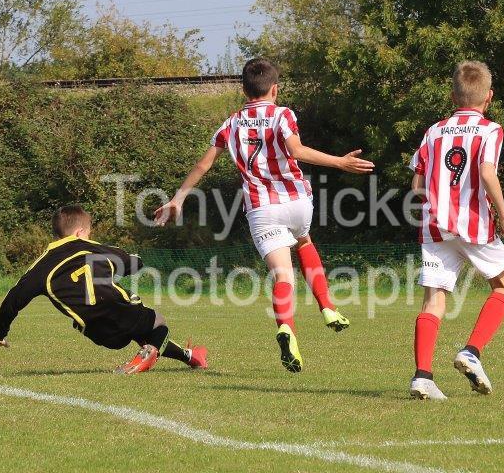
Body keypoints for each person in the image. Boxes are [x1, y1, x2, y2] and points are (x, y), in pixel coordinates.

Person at [154, 58, 374, 372]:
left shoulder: (231, 123)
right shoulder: (282, 114)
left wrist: (178, 198)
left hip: (262, 208)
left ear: (244, 90)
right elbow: (296, 151)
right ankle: (327, 306)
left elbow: (204, 164)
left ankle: (286, 328)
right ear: (275, 89)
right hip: (297, 201)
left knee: (283, 275)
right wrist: (340, 162)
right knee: (304, 241)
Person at [0, 204, 207, 374]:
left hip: (94, 330)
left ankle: (190, 357)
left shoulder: (41, 266)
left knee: (140, 332)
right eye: (88, 233)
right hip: (118, 308)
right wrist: (134, 261)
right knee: (158, 321)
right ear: (80, 233)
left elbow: (13, 300)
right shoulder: (91, 247)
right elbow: (133, 262)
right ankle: (149, 355)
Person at [408, 60, 504, 399]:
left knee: (433, 302)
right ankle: (471, 352)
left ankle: (423, 376)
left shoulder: (433, 132)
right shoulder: (490, 130)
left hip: (435, 227)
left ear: (453, 96)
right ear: (489, 96)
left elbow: (416, 186)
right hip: (474, 224)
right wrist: (503, 215)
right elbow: (486, 172)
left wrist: (440, 202)